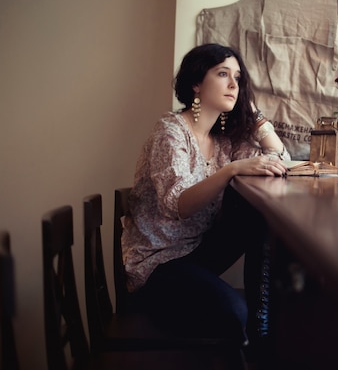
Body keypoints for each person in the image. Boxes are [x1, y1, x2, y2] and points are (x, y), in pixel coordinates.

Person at [120, 43, 291, 363]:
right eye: (223, 74)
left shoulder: (223, 140)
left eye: (238, 78)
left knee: (256, 214)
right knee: (233, 311)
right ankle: (254, 340)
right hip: (157, 264)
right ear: (197, 83)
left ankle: (263, 334)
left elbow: (280, 159)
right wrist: (231, 170)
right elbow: (178, 205)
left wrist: (253, 113)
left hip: (195, 253)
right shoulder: (170, 131)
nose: (233, 85)